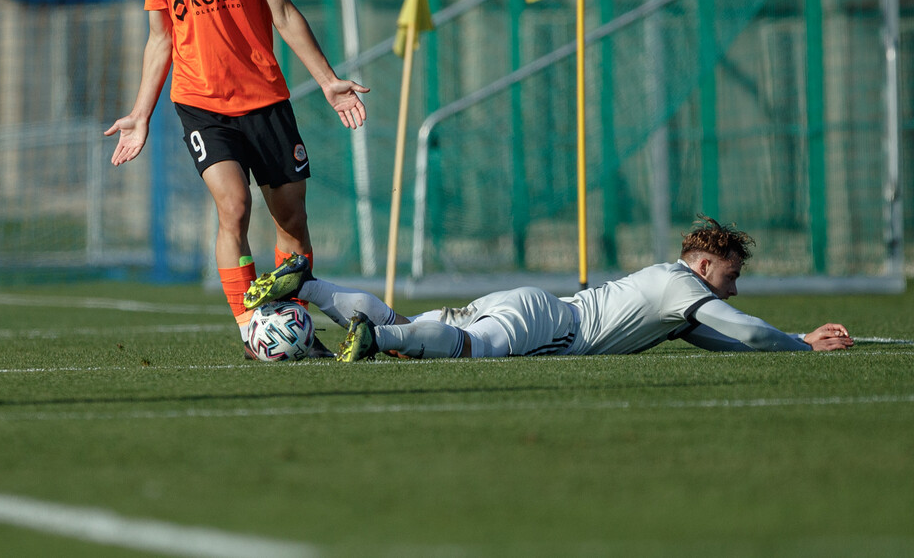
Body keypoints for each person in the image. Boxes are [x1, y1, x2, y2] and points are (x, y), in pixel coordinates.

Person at [105, 0, 368, 356]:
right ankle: (253, 329)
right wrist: (140, 113)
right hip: (200, 103)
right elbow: (160, 40)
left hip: (265, 99)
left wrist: (328, 81)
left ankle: (290, 321)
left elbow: (285, 15)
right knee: (234, 207)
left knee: (291, 217)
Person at [243, 215, 854, 361]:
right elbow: (741, 327)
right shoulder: (680, 286)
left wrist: (790, 337)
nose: (735, 289)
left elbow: (718, 337)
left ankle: (314, 287)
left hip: (528, 304)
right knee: (464, 350)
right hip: (551, 327)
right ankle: (374, 338)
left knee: (418, 323)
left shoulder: (675, 297)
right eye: (731, 275)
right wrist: (800, 345)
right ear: (702, 267)